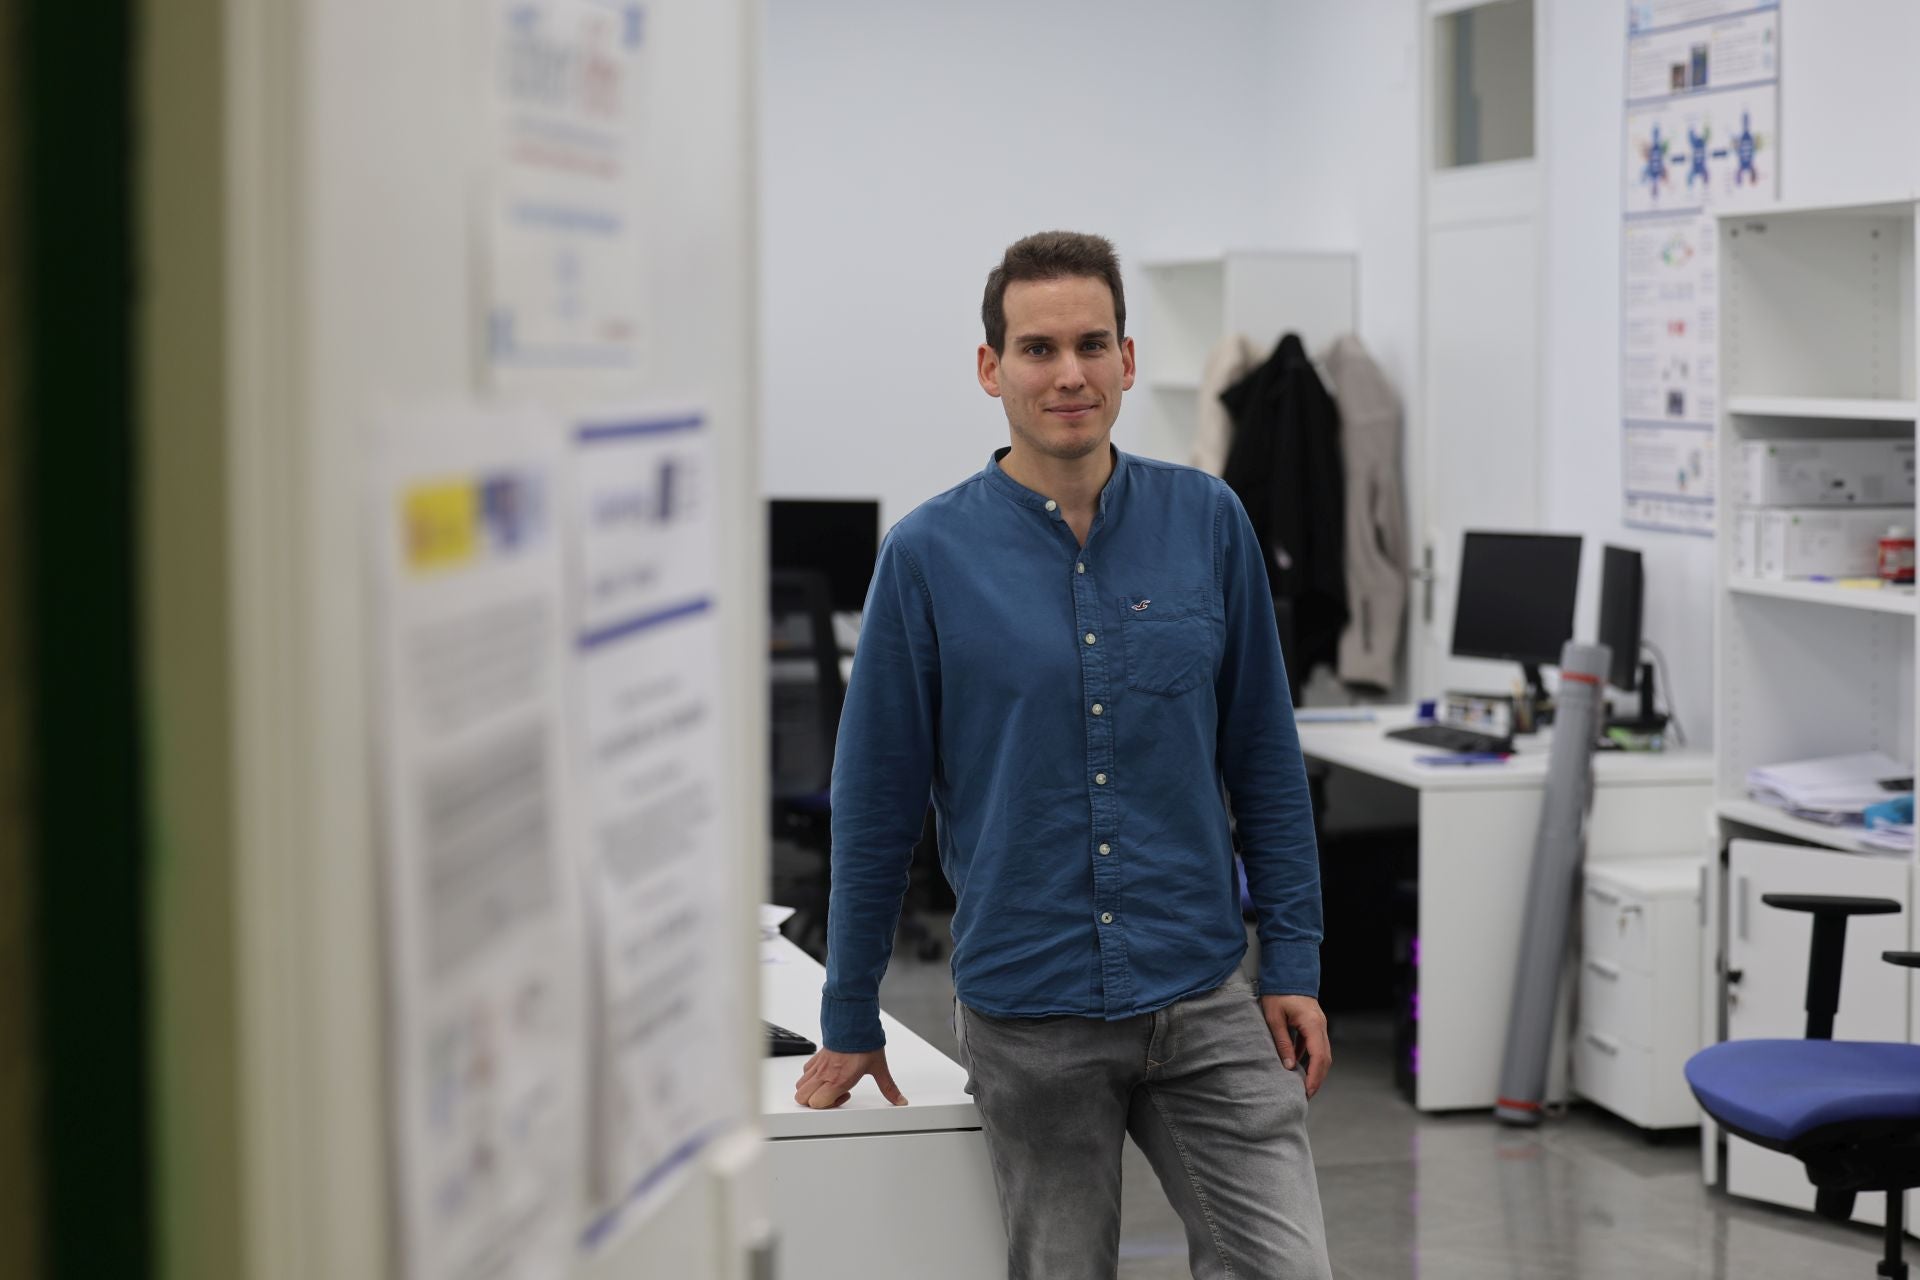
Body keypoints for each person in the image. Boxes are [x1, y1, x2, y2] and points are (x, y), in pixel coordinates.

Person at [792, 230, 1332, 1279]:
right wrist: (850, 1009)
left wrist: (1297, 961)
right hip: (1030, 1013)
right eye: (1038, 348)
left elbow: (1265, 756)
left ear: (1129, 359)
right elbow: (874, 803)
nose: (1069, 372)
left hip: (1201, 990)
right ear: (992, 368)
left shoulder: (1209, 521)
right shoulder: (926, 556)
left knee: (1286, 1266)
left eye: (1093, 343)